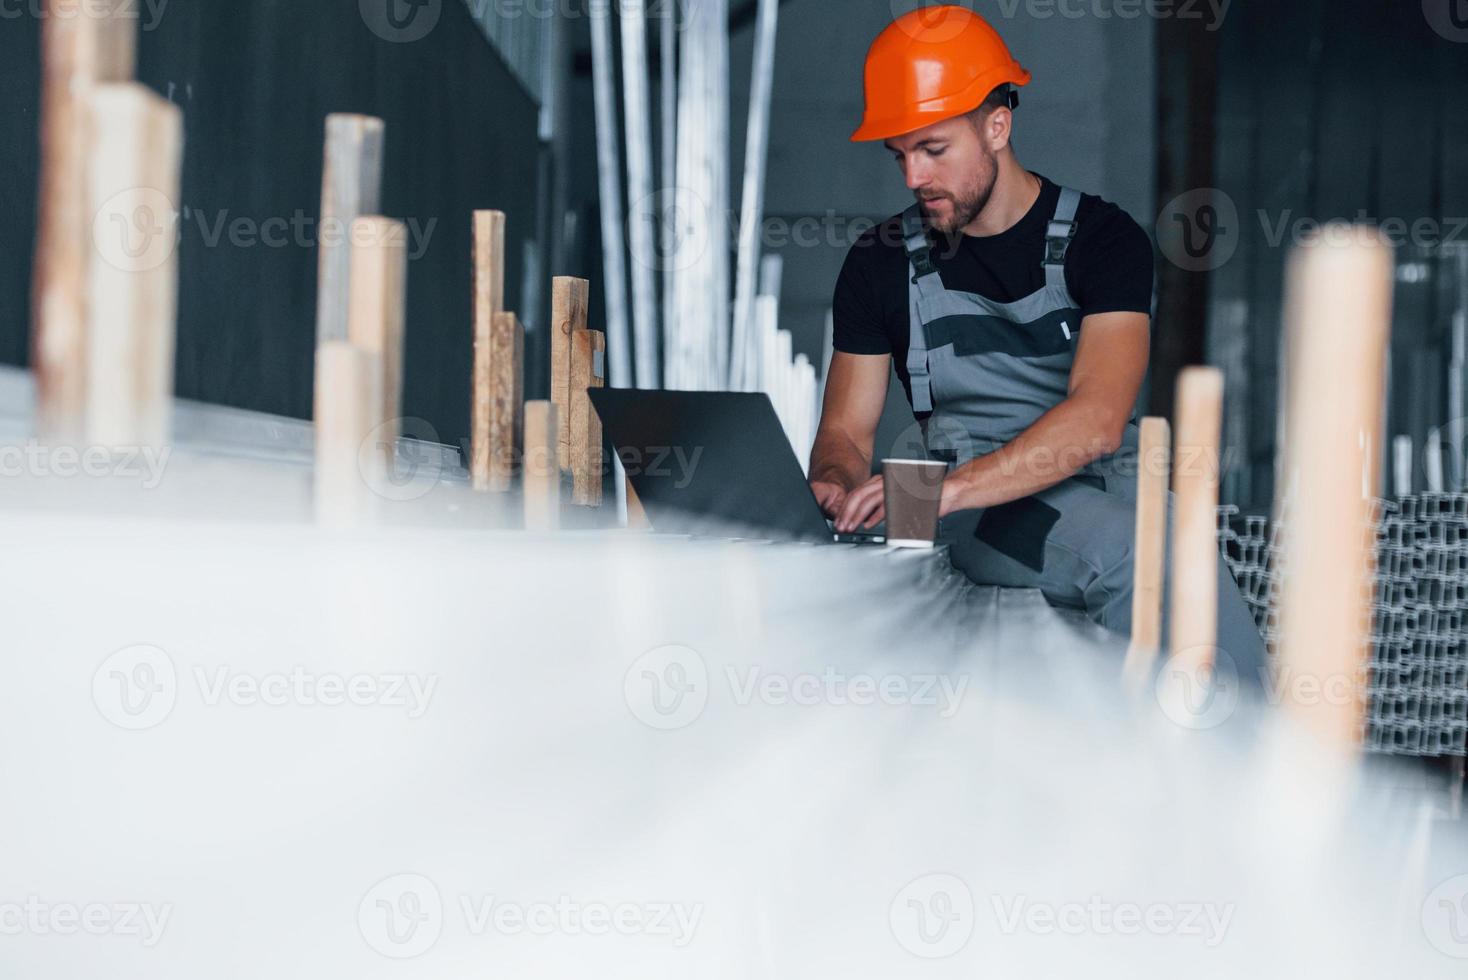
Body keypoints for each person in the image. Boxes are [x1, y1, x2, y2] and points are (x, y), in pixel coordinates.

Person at [808, 5, 1267, 683]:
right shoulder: (879, 262)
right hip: (981, 512)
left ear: (998, 124)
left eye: (933, 150)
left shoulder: (1104, 240)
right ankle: (1252, 770)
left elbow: (1097, 421)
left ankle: (1255, 763)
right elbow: (846, 428)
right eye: (900, 154)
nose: (913, 178)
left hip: (1066, 482)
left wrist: (942, 492)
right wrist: (837, 483)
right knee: (1133, 553)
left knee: (1178, 553)